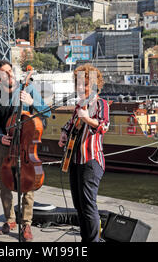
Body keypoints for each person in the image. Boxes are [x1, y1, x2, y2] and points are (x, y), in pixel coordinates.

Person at [0, 60, 51, 242]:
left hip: (25, 143)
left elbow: (47, 113)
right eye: (4, 73)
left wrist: (32, 102)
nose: (10, 75)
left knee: (28, 184)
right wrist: (1, 135)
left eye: (10, 71)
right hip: (5, 145)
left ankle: (26, 224)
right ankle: (9, 220)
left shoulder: (29, 89)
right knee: (4, 185)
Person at [58, 64, 110, 242]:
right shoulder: (79, 105)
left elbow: (104, 125)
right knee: (78, 205)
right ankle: (85, 240)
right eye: (78, 84)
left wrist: (87, 118)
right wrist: (64, 133)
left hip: (91, 160)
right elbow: (71, 125)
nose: (81, 88)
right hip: (74, 160)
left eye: (85, 84)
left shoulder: (100, 103)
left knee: (88, 205)